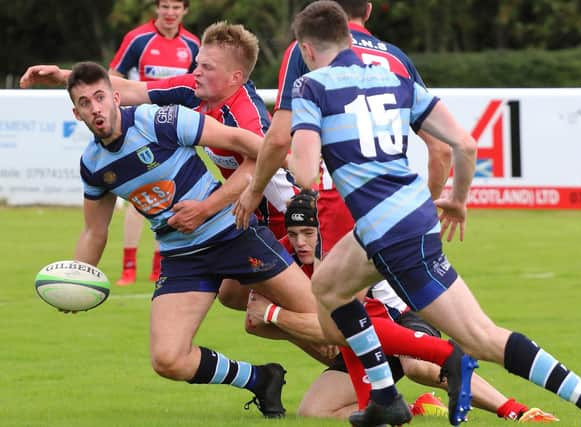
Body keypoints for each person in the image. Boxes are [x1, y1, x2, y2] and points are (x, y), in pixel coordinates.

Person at [262, 2, 581, 426]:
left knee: (481, 337)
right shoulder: (393, 74)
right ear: (349, 35)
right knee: (327, 287)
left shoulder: (311, 87)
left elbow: (305, 174)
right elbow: (465, 145)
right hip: (400, 218)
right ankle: (385, 398)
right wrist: (458, 200)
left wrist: (280, 156)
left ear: (306, 50)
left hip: (391, 234)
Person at [58, 61, 320, 418]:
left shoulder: (158, 121)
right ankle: (260, 379)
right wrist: (77, 278)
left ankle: (380, 374)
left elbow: (238, 140)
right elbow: (95, 231)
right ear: (77, 113)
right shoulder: (93, 164)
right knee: (168, 359)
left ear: (115, 97)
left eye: (100, 97)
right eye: (85, 103)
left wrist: (291, 163)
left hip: (233, 234)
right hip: (182, 257)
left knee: (322, 322)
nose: (96, 108)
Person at [246, 194, 558, 423]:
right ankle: (412, 407)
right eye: (295, 234)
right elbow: (252, 324)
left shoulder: (342, 250)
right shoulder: (283, 255)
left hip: (402, 321)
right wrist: (298, 331)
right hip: (361, 344)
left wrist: (276, 315)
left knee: (417, 365)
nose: (300, 242)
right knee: (314, 411)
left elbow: (334, 322)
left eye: (309, 233)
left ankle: (516, 410)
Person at [235, 0, 453, 259]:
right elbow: (441, 149)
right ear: (368, 11)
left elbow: (280, 137)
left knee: (332, 294)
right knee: (399, 287)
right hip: (398, 198)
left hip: (344, 193)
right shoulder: (396, 58)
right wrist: (424, 210)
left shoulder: (308, 48)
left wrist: (256, 189)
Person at [109, 0, 200, 286]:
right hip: (143, 126)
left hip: (179, 130)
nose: (170, 13)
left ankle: (160, 265)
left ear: (184, 10)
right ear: (157, 9)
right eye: (165, 6)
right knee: (139, 197)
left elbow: (199, 85)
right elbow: (114, 77)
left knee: (175, 197)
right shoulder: (138, 39)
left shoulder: (193, 44)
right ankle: (128, 267)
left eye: (176, 7)